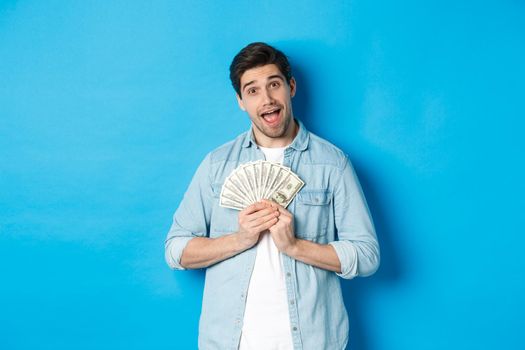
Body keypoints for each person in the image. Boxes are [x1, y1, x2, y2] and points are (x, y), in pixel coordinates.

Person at [165, 42, 380, 350]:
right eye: (252, 90)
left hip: (313, 341)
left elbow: (367, 254)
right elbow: (176, 250)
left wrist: (294, 246)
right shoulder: (217, 165)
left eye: (274, 85)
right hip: (229, 342)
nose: (266, 99)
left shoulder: (332, 163)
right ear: (240, 101)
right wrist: (240, 239)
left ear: (291, 87)